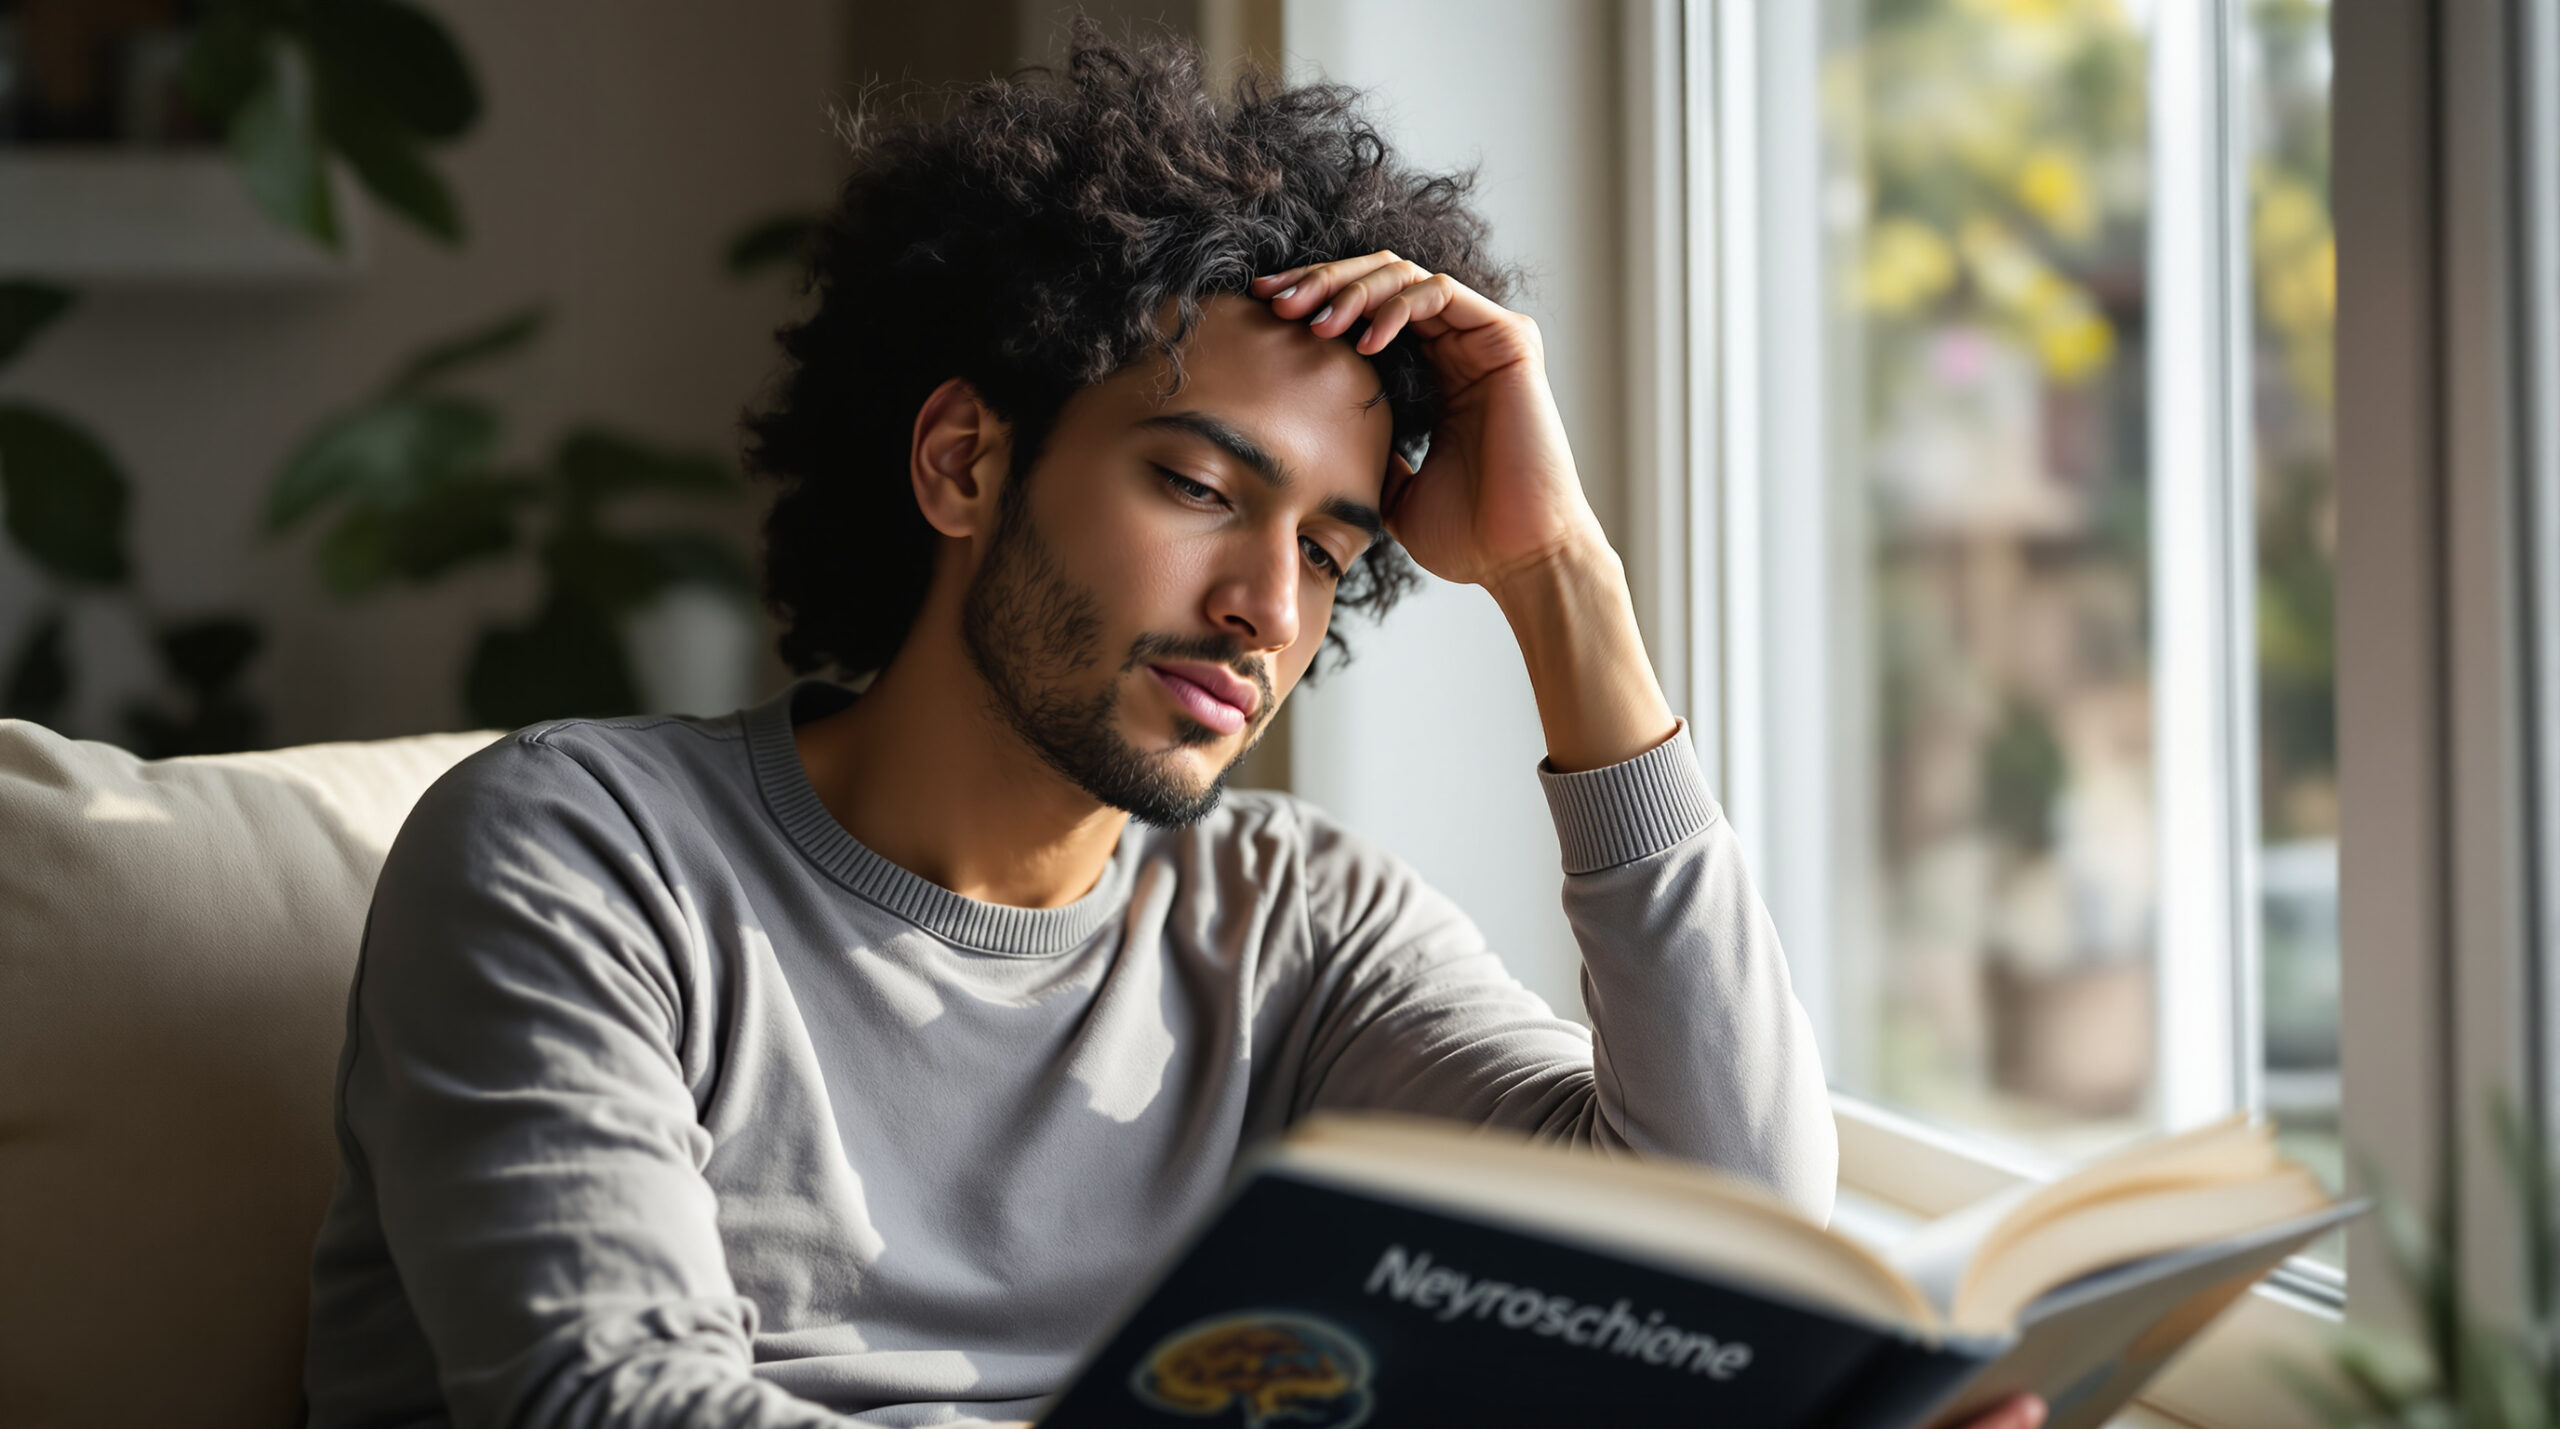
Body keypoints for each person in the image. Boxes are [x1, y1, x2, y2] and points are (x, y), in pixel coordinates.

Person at [300, 28, 2045, 1429]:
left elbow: (1728, 1231)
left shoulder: (1295, 926)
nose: (1269, 608)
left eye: (1334, 548)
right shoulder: (578, 853)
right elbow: (604, 1397)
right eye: (1205, 488)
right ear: (964, 461)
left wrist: (1559, 580)